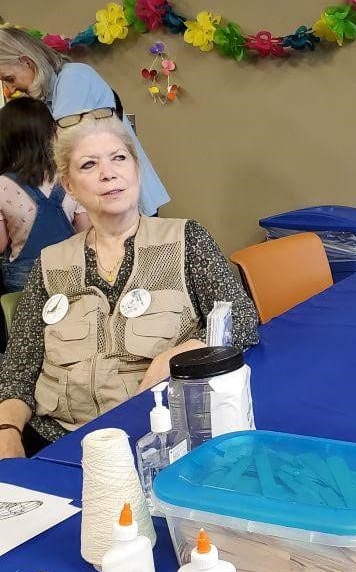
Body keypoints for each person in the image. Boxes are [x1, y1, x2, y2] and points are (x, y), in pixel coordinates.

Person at [0, 115, 258, 457]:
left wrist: (179, 353)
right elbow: (19, 365)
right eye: (89, 164)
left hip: (156, 435)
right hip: (57, 441)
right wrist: (7, 431)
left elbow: (240, 318)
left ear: (137, 170)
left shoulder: (185, 240)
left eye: (119, 158)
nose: (108, 173)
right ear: (69, 185)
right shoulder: (50, 263)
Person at [0, 25, 169, 216]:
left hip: (121, 195)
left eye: (10, 78)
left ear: (26, 62)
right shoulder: (48, 95)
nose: (11, 87)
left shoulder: (74, 78)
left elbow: (57, 146)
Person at [0, 97, 89, 292]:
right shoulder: (71, 177)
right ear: (51, 133)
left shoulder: (2, 185)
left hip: (23, 278)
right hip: (70, 271)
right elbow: (86, 233)